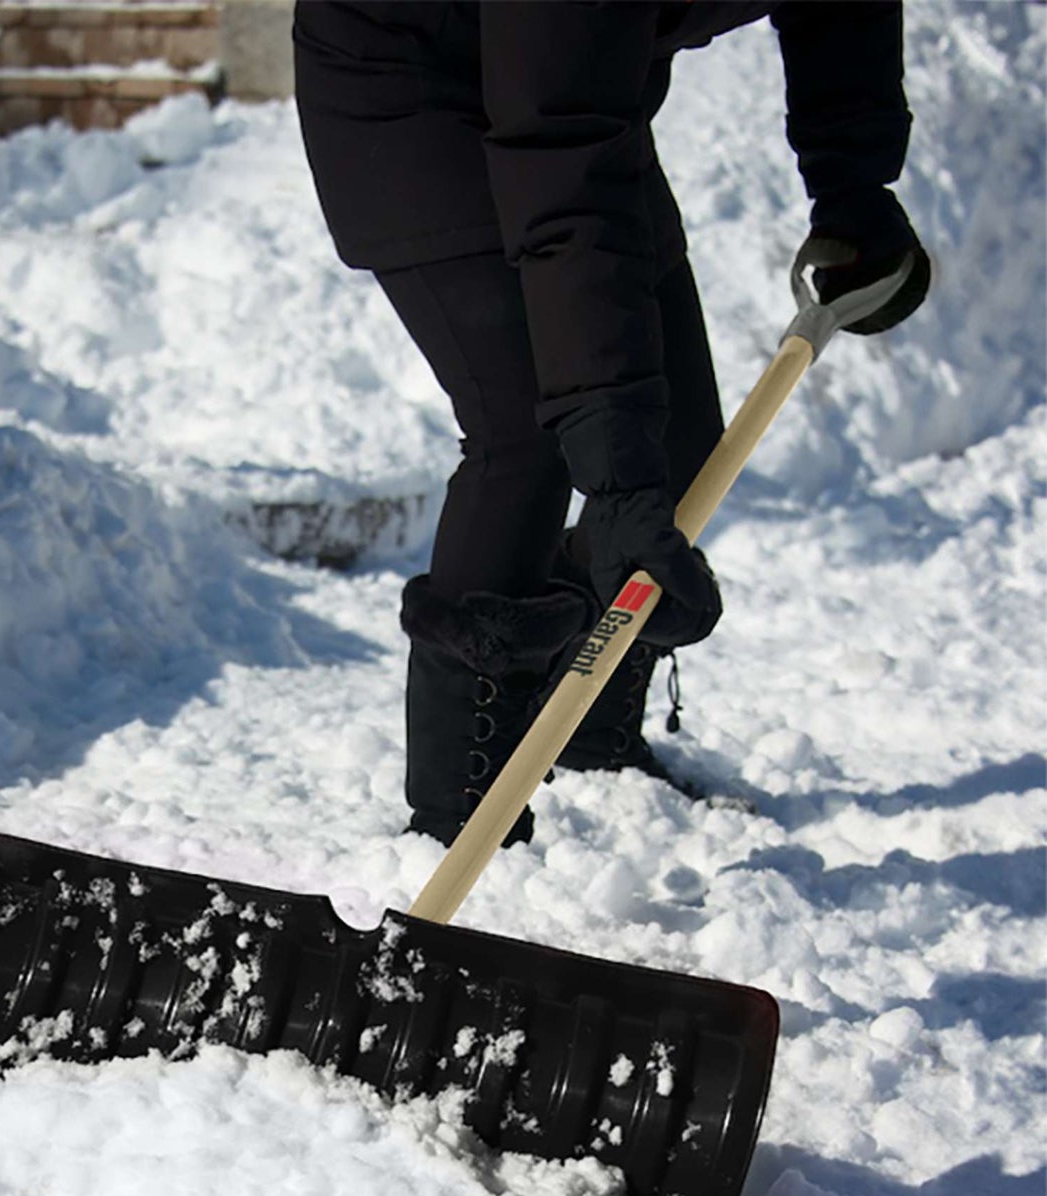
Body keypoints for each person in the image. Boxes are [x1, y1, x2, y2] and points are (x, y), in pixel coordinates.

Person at [292, 0, 930, 845]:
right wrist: (616, 483)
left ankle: (591, 734)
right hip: (411, 84)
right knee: (525, 432)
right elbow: (564, 189)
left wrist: (852, 182)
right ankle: (458, 820)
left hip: (575, 94)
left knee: (676, 441)